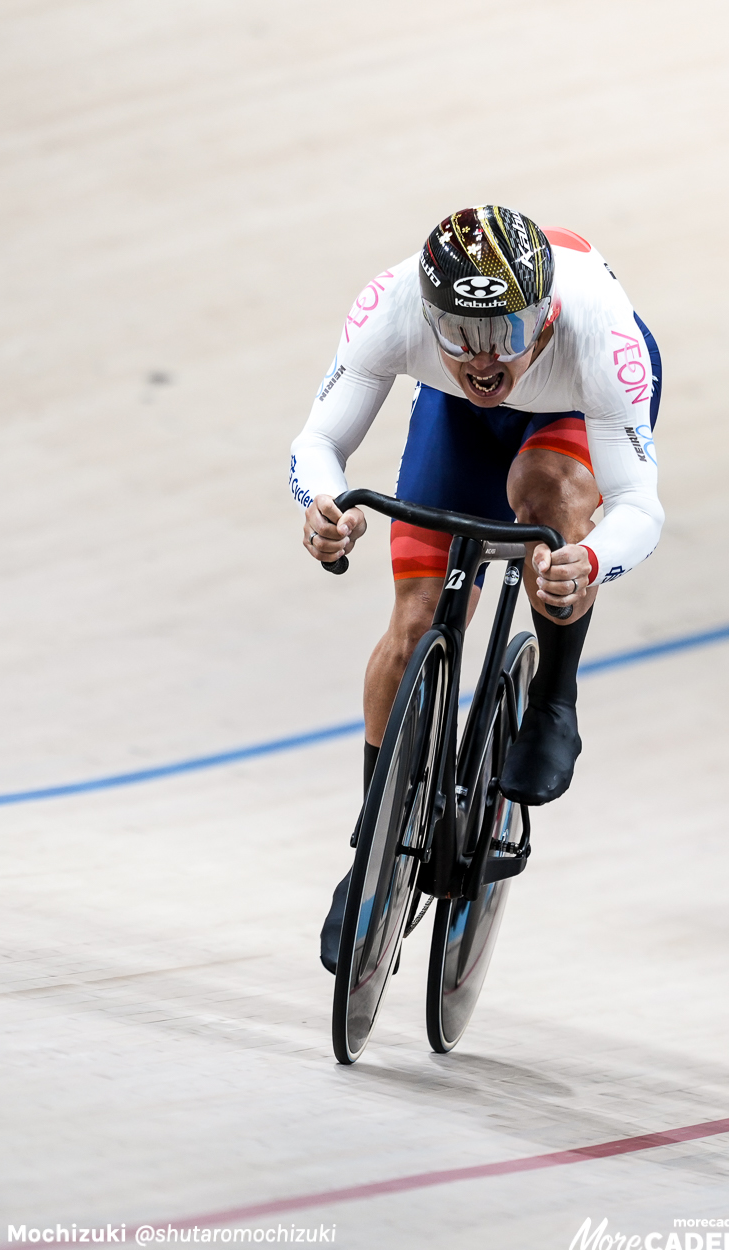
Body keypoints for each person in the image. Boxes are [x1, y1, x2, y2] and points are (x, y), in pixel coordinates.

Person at [288, 205, 664, 974]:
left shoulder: (602, 330)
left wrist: (588, 561)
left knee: (546, 496)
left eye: (504, 335)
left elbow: (639, 506)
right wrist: (323, 509)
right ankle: (374, 847)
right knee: (413, 621)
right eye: (460, 334)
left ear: (547, 313)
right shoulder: (394, 303)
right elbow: (319, 442)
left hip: (570, 412)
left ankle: (555, 699)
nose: (484, 358)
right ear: (431, 316)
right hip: (455, 420)